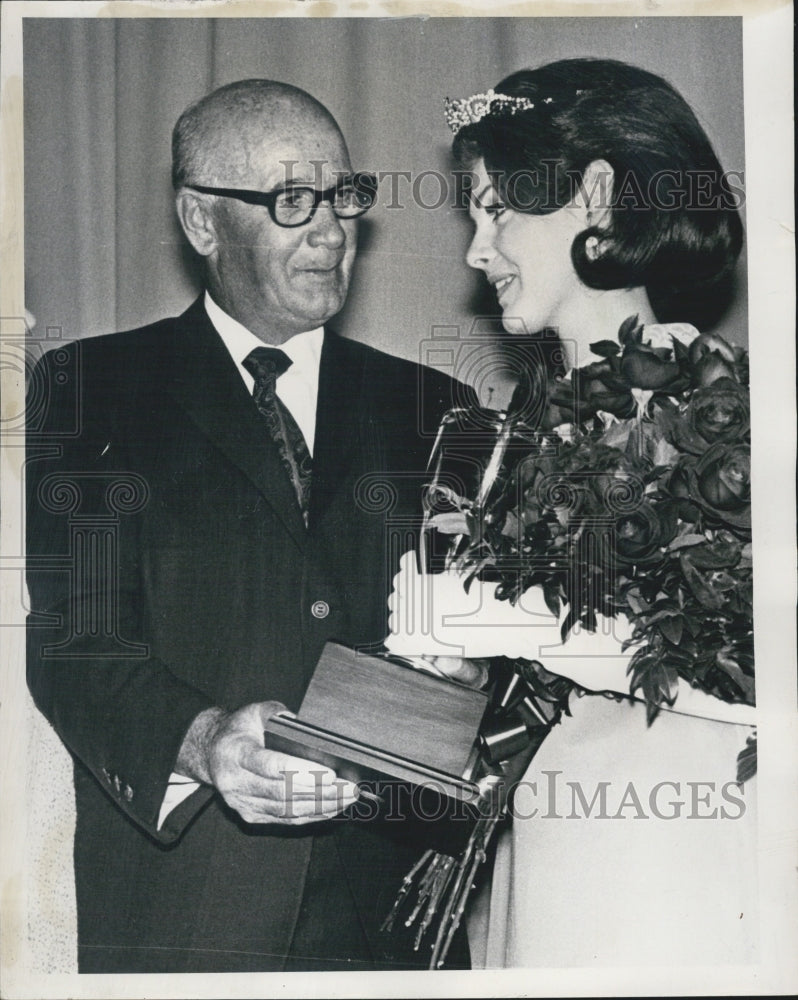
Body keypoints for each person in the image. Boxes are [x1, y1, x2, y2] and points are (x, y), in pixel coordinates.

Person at [25, 79, 473, 973]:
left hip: (392, 922)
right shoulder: (93, 388)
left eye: (342, 196)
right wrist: (204, 740)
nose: (332, 232)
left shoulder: (438, 409)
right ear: (201, 221)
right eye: (291, 200)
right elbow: (77, 640)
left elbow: (473, 656)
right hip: (189, 910)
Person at [406, 58, 757, 967]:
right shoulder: (516, 429)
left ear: (597, 199)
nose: (477, 251)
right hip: (541, 836)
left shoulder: (718, 403)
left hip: (664, 847)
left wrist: (512, 622)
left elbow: (750, 671)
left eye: (498, 210)